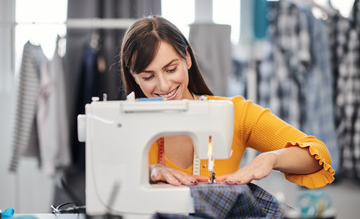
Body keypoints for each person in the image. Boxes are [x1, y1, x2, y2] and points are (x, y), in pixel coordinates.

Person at [120, 15, 335, 189]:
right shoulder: (123, 125)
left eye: (171, 69)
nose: (164, 85)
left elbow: (319, 154)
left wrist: (270, 158)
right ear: (134, 77)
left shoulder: (235, 113)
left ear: (187, 58)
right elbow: (107, 180)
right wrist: (147, 172)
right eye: (148, 77)